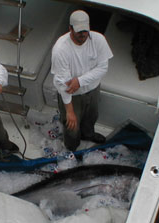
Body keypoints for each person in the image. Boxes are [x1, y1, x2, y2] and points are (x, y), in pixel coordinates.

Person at [51, 10, 113, 151]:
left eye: (85, 31)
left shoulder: (99, 40)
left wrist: (80, 81)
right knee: (71, 125)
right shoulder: (60, 49)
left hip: (93, 89)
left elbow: (103, 68)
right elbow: (63, 83)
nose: (83, 34)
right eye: (79, 31)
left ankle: (89, 135)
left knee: (91, 116)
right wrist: (70, 110)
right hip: (71, 95)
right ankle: (72, 147)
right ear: (70, 29)